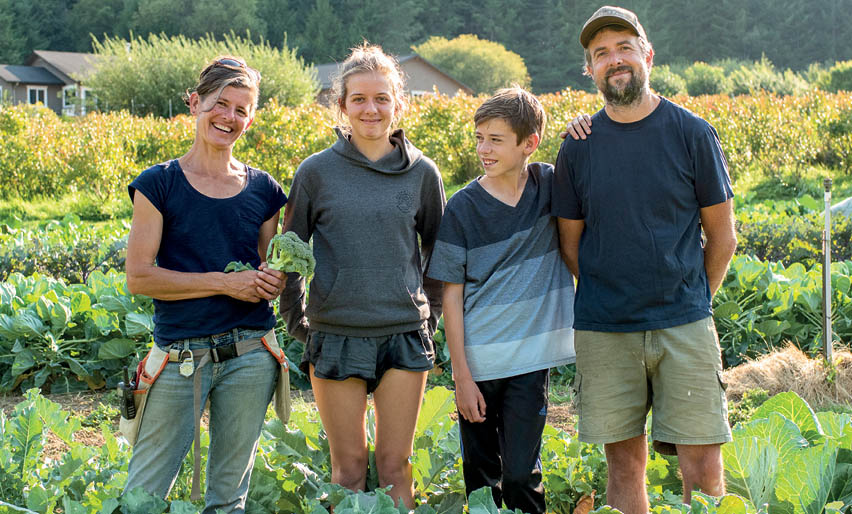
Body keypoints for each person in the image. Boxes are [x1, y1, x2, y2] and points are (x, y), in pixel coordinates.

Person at [552, 6, 737, 514]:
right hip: (606, 328)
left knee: (702, 466)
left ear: (648, 55)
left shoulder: (691, 132)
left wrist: (694, 297)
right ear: (590, 70)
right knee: (624, 466)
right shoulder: (577, 147)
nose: (615, 61)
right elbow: (572, 244)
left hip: (684, 324)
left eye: (624, 48)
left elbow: (722, 236)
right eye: (601, 54)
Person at [279, 43, 445, 509]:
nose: (371, 109)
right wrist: (299, 322)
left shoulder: (423, 174)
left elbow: (438, 253)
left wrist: (426, 321)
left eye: (382, 98)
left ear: (398, 103)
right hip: (336, 335)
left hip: (404, 335)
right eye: (359, 99)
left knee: (397, 469)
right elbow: (291, 254)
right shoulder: (315, 173)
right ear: (342, 105)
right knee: (347, 470)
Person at [123, 56, 287, 513]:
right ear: (196, 103)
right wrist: (223, 283)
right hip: (181, 358)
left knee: (228, 498)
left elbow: (269, 268)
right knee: (144, 495)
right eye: (220, 104)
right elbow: (139, 277)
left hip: (252, 354)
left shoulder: (265, 191)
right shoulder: (159, 185)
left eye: (241, 109)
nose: (228, 117)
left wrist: (272, 280)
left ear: (250, 119)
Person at [426, 86, 575, 514]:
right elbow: (451, 298)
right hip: (478, 362)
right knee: (481, 476)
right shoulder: (462, 208)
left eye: (495, 139)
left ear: (529, 143)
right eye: (478, 137)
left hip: (529, 364)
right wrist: (461, 376)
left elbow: (590, 162)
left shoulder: (549, 185)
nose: (483, 149)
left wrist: (584, 128)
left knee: (521, 474)